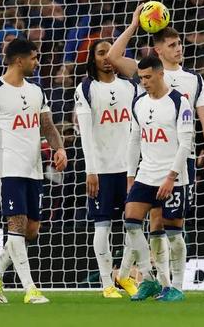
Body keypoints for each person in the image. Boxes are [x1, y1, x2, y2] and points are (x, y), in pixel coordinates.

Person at [107, 4, 204, 294]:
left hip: (181, 159)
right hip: (150, 158)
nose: (179, 48)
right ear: (158, 51)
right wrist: (134, 24)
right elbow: (113, 57)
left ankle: (167, 284)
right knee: (142, 221)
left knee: (164, 223)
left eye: (179, 43)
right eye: (172, 45)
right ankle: (153, 280)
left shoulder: (193, 80)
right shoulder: (145, 72)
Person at [0, 38, 67, 304]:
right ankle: (30, 289)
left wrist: (59, 148)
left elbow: (47, 125)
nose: (37, 62)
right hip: (8, 168)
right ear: (19, 60)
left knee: (31, 230)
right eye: (33, 58)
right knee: (15, 225)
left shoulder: (37, 91)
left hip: (33, 169)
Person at [123, 55, 194, 302]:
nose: (144, 82)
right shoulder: (139, 103)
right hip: (146, 173)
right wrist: (130, 176)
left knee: (173, 232)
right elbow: (134, 140)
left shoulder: (179, 102)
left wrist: (171, 177)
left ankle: (177, 287)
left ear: (161, 74)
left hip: (173, 176)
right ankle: (149, 279)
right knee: (131, 222)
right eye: (141, 78)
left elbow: (186, 144)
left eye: (148, 77)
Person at [74, 39, 138, 298]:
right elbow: (86, 134)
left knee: (134, 226)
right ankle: (106, 284)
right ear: (93, 58)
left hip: (129, 170)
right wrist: (91, 171)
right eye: (101, 53)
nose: (107, 57)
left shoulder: (130, 86)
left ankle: (124, 275)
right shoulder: (86, 88)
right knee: (103, 227)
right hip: (101, 170)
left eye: (110, 52)